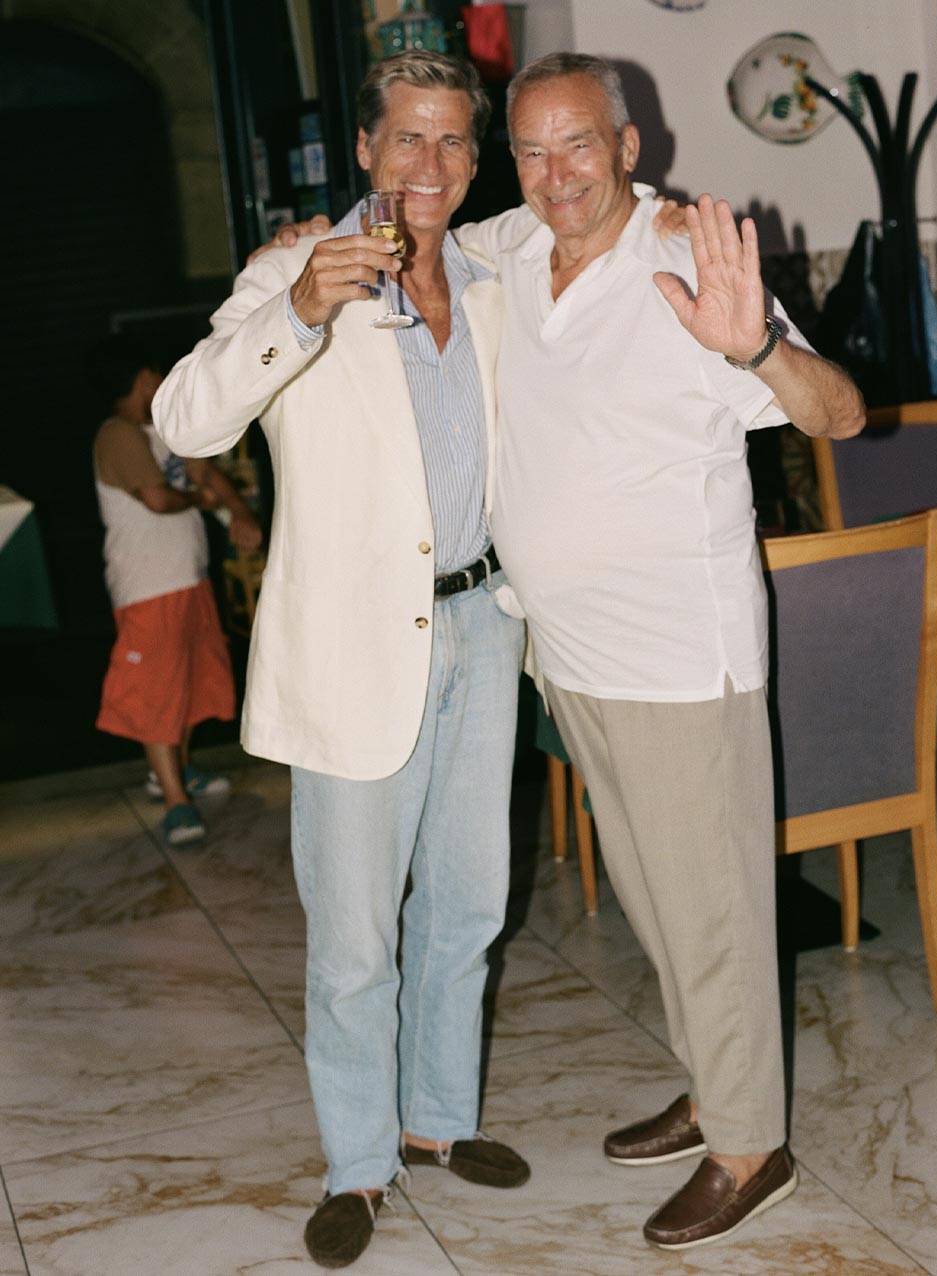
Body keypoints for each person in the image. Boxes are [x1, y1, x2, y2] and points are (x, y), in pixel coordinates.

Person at [453, 52, 865, 1251]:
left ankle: (750, 1146)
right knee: (655, 899)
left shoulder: (690, 261)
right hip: (571, 653)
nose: (554, 173)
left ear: (628, 148)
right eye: (531, 150)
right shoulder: (512, 248)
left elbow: (841, 413)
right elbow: (426, 228)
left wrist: (754, 349)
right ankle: (712, 1083)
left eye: (578, 143)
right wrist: (309, 246)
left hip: (682, 657)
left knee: (715, 909)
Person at [152, 52, 532, 1271]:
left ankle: (437, 1119)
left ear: (475, 159)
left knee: (468, 902)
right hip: (357, 643)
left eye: (453, 140)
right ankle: (359, 1162)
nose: (431, 163)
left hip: (484, 624)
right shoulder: (289, 273)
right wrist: (301, 308)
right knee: (357, 935)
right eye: (407, 138)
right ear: (363, 150)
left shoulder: (493, 272)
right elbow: (182, 421)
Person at [89, 334, 262, 847]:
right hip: (149, 587)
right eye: (157, 373)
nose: (163, 381)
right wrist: (205, 502)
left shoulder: (164, 428)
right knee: (157, 693)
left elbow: (205, 472)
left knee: (188, 684)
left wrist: (239, 511)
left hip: (187, 579)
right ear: (143, 377)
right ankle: (174, 801)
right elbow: (159, 499)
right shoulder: (117, 435)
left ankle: (177, 772)